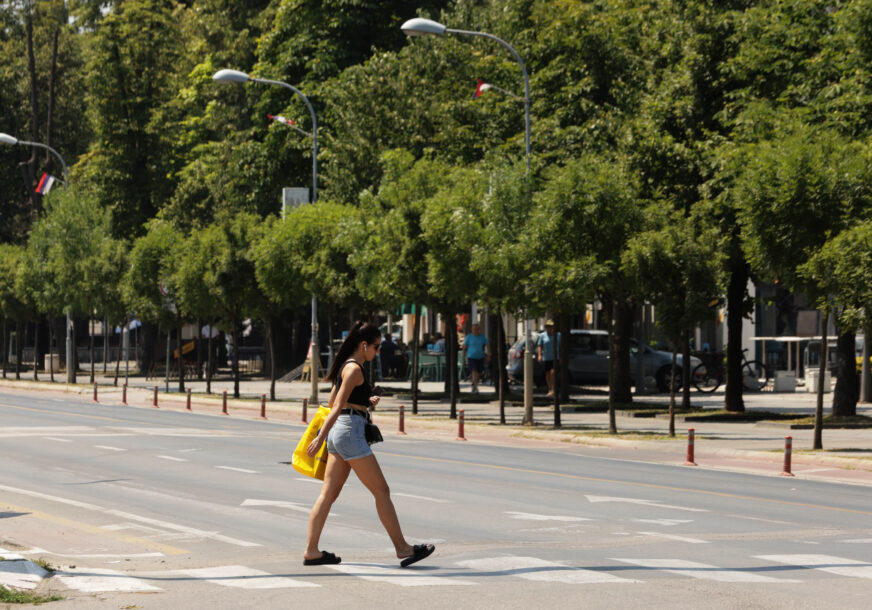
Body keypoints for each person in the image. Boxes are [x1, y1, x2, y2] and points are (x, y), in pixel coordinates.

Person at [303, 320, 435, 568]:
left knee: (328, 495)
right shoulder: (354, 370)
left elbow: (335, 402)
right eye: (376, 347)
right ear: (364, 345)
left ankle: (311, 550)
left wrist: (365, 401)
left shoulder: (346, 367)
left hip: (341, 432)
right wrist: (320, 436)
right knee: (381, 491)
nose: (377, 352)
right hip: (349, 432)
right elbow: (338, 405)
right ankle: (403, 548)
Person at [463, 323, 489, 393]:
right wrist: (463, 359)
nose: (476, 331)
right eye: (474, 329)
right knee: (474, 371)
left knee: (479, 373)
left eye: (477, 329)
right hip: (471, 357)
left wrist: (489, 355)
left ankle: (474, 385)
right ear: (472, 329)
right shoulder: (469, 337)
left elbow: (487, 345)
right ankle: (476, 387)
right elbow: (464, 348)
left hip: (480, 357)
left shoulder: (482, 337)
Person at [537, 320, 561, 396]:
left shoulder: (558, 335)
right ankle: (550, 388)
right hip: (546, 357)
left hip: (555, 357)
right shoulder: (542, 335)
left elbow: (561, 346)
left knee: (553, 372)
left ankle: (554, 388)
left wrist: (561, 357)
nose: (550, 328)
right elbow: (540, 346)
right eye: (548, 327)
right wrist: (539, 355)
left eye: (551, 327)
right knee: (547, 373)